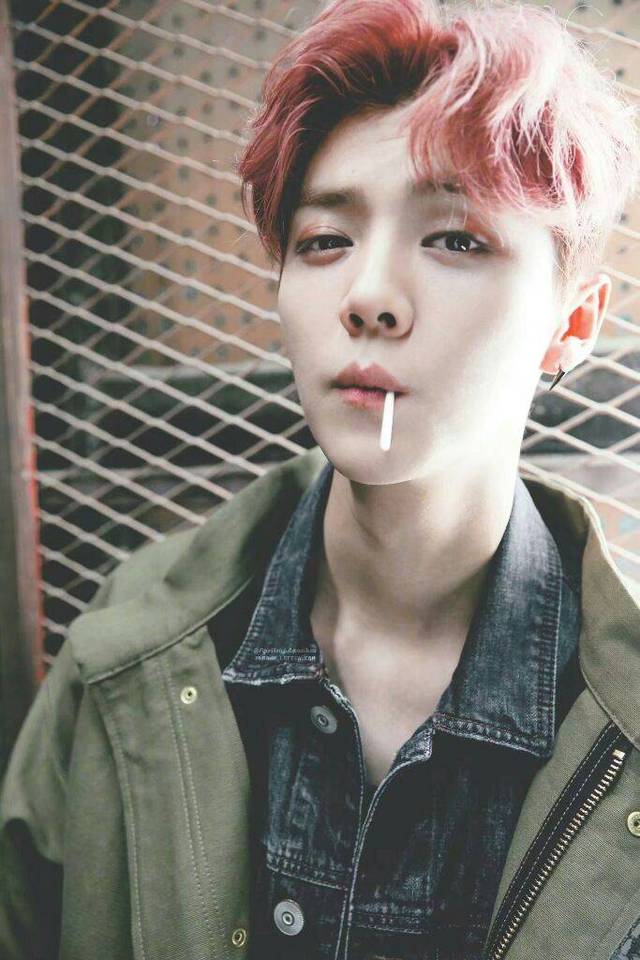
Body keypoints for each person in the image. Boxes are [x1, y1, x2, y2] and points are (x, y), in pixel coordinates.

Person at [2, 0, 640, 957]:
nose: (369, 296)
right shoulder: (129, 646)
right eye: (324, 241)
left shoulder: (620, 707)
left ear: (573, 323)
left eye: (455, 239)